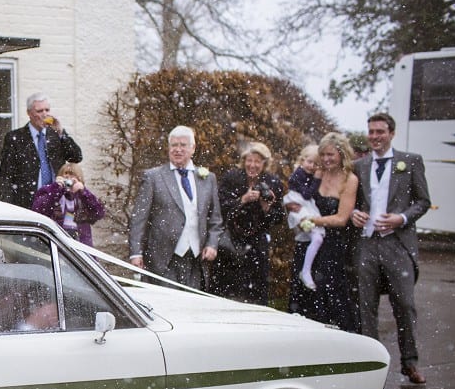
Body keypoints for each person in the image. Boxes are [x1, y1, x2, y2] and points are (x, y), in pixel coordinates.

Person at [350, 113, 431, 385]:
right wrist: (354, 215)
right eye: (371, 131)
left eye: (380, 132)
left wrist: (402, 218)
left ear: (391, 133)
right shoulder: (358, 166)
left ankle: (410, 363)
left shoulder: (410, 161)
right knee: (366, 306)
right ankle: (371, 365)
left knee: (405, 306)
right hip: (367, 243)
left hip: (397, 244)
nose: (375, 136)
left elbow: (423, 202)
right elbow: (351, 201)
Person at [128, 125, 223, 289]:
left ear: (193, 148)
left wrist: (212, 244)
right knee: (166, 306)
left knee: (192, 308)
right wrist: (136, 252)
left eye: (183, 145)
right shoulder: (154, 177)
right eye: (174, 145)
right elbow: (139, 219)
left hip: (196, 259)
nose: (178, 150)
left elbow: (215, 219)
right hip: (163, 258)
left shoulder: (207, 178)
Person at [288, 132, 359, 332]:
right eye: (324, 155)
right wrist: (295, 209)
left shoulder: (349, 179)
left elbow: (341, 218)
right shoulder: (319, 173)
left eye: (331, 155)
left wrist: (312, 220)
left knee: (328, 292)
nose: (326, 159)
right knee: (304, 291)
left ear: (342, 154)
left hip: (332, 244)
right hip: (308, 241)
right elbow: (302, 195)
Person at [211, 142, 284, 304]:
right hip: (230, 241)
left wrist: (267, 208)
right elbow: (219, 208)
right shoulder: (232, 178)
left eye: (257, 161)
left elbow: (279, 218)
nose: (252, 165)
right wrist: (241, 200)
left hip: (257, 246)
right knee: (225, 290)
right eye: (249, 161)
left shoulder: (273, 183)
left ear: (265, 163)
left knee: (254, 294)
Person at [0, 93, 83, 209]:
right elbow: (6, 176)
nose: (45, 114)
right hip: (27, 202)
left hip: (57, 202)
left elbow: (76, 157)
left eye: (47, 110)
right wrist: (8, 206)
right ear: (29, 113)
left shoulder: (56, 135)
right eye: (39, 111)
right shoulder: (15, 138)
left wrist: (62, 133)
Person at [30, 161, 105, 245]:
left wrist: (83, 192)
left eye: (72, 175)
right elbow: (39, 210)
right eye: (65, 174)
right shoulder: (50, 190)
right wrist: (56, 188)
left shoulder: (83, 196)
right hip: (56, 236)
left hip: (79, 240)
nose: (68, 177)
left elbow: (99, 213)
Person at [284, 145, 324, 291]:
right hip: (300, 207)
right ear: (302, 160)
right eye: (309, 162)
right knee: (317, 238)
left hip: (305, 207)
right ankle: (306, 271)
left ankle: (306, 270)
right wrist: (317, 179)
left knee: (317, 238)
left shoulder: (306, 175)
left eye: (315, 164)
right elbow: (307, 194)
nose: (312, 166)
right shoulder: (298, 175)